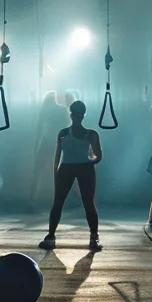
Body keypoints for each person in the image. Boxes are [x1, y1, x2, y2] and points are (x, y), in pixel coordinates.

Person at [41, 100, 103, 251]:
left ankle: (93, 237)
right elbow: (57, 156)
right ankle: (51, 236)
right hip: (71, 168)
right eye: (76, 114)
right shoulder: (65, 133)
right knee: (60, 202)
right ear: (73, 115)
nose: (77, 117)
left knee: (86, 203)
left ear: (80, 115)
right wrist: (56, 172)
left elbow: (98, 156)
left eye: (79, 115)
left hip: (78, 168)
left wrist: (88, 162)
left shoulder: (89, 134)